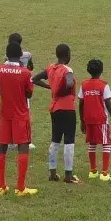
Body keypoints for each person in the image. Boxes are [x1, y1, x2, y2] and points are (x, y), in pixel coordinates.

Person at [0, 40, 37, 197]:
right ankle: (20, 187)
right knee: (23, 146)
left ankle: (1, 186)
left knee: (2, 146)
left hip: (5, 114)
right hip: (20, 114)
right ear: (20, 55)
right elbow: (29, 94)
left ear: (6, 54)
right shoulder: (25, 73)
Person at [34, 44, 79, 184]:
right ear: (68, 55)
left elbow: (34, 79)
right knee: (69, 141)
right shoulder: (67, 70)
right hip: (67, 107)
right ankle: (68, 174)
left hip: (54, 108)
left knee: (55, 140)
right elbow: (69, 84)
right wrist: (59, 90)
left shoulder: (51, 68)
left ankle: (52, 172)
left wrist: (51, 88)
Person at [78, 59, 111, 182]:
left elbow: (80, 103)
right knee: (106, 144)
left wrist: (82, 120)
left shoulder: (83, 85)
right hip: (101, 119)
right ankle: (104, 173)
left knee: (92, 144)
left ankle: (93, 171)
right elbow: (108, 103)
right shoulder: (103, 85)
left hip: (88, 119)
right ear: (101, 70)